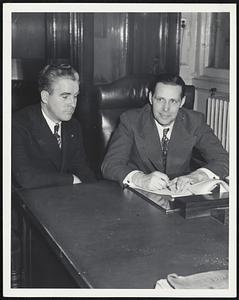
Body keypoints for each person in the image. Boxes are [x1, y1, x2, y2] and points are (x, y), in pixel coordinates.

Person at [101, 73, 229, 193]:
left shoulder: (195, 122)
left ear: (182, 102)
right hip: (138, 196)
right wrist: (140, 178)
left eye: (173, 101)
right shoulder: (131, 121)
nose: (166, 109)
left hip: (180, 195)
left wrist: (197, 177)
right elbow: (109, 165)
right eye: (160, 100)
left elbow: (224, 160)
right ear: (151, 98)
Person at [12, 64, 96, 189]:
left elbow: (82, 169)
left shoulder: (74, 126)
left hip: (64, 200)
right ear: (45, 97)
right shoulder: (17, 124)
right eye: (65, 96)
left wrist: (96, 195)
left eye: (75, 96)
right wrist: (71, 179)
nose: (72, 104)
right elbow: (25, 177)